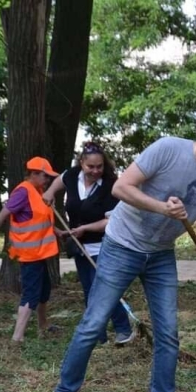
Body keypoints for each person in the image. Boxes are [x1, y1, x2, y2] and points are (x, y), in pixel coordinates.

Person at [45, 116, 196, 392]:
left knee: (168, 332)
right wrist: (162, 208)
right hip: (122, 244)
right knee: (94, 323)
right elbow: (121, 187)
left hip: (160, 255)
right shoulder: (169, 149)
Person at [42, 142, 134, 345]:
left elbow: (111, 221)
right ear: (82, 163)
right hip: (79, 245)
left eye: (99, 166)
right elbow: (60, 180)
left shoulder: (111, 185)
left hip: (104, 245)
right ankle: (98, 335)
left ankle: (123, 330)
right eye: (90, 166)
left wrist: (85, 228)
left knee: (103, 289)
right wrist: (49, 193)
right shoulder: (73, 175)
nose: (95, 171)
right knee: (88, 289)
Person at [0, 157, 60, 342]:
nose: (48, 179)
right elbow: (2, 216)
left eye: (50, 176)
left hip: (41, 253)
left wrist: (59, 231)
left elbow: (41, 221)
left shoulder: (40, 191)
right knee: (31, 293)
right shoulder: (23, 192)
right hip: (29, 255)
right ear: (33, 173)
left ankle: (43, 325)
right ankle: (17, 337)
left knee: (44, 290)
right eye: (45, 175)